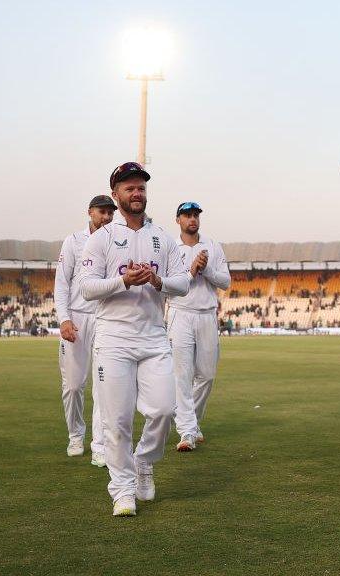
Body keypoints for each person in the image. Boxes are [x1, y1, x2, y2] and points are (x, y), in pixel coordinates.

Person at [79, 162, 190, 517]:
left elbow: (183, 283)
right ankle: (122, 489)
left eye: (141, 187)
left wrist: (157, 282)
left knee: (162, 410)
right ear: (116, 195)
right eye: (129, 188)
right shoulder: (102, 238)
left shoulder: (163, 238)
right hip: (114, 338)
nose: (136, 193)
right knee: (118, 420)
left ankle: (144, 461)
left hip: (155, 336)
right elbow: (86, 288)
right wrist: (124, 281)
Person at [55, 194, 116, 465]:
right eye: (102, 212)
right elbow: (61, 284)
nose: (106, 217)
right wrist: (64, 318)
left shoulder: (117, 240)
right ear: (90, 212)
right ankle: (75, 434)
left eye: (110, 213)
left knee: (102, 386)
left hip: (104, 318)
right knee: (74, 385)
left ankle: (100, 444)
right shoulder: (73, 242)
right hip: (77, 319)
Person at [167, 201, 231, 451]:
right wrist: (191, 271)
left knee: (207, 376)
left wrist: (207, 271)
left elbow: (225, 281)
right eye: (187, 215)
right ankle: (187, 432)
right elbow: (168, 284)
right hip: (180, 313)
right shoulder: (171, 247)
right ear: (178, 220)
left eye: (195, 215)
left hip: (206, 315)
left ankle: (191, 422)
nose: (192, 219)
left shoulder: (212, 246)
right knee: (182, 377)